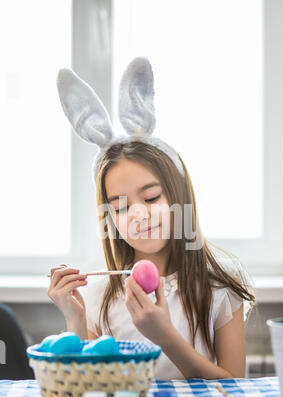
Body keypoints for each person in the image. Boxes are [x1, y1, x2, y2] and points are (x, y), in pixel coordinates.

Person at [48, 57, 257, 380]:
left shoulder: (220, 284)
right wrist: (76, 322)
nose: (139, 214)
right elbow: (87, 387)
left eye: (151, 197)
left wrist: (166, 338)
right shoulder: (98, 294)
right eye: (119, 206)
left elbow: (234, 386)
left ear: (179, 195)